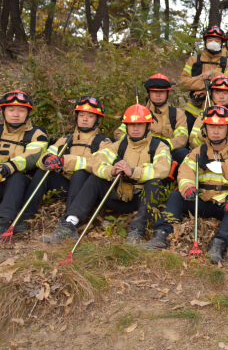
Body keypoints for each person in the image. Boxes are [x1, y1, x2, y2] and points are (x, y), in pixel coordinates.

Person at [141, 106, 228, 264]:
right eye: (211, 126)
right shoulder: (197, 152)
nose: (215, 131)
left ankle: (218, 245)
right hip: (201, 199)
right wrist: (187, 187)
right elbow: (185, 171)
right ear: (205, 128)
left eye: (220, 127)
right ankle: (160, 235)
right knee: (174, 197)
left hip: (225, 202)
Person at [56, 104, 171, 245]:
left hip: (141, 200)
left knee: (155, 184)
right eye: (131, 125)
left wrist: (133, 172)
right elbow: (97, 163)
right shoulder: (118, 145)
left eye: (140, 125)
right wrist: (111, 170)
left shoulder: (160, 146)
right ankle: (70, 223)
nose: (135, 129)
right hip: (117, 195)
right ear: (126, 126)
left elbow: (162, 169)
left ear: (148, 126)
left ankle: (136, 231)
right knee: (94, 179)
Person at [36, 97, 113, 242]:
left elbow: (98, 165)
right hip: (66, 186)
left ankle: (68, 224)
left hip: (86, 191)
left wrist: (67, 161)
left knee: (80, 172)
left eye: (90, 116)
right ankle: (23, 217)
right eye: (81, 115)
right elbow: (44, 157)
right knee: (42, 172)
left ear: (97, 120)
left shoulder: (104, 142)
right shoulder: (65, 140)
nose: (85, 119)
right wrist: (47, 160)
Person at [115, 74, 189, 178]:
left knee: (183, 153)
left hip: (166, 153)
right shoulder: (137, 112)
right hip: (139, 149)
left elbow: (182, 138)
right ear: (149, 93)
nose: (158, 95)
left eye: (161, 92)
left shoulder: (177, 114)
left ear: (168, 93)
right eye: (154, 92)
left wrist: (161, 144)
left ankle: (176, 180)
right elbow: (119, 133)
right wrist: (135, 141)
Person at [0, 91, 49, 235]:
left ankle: (4, 220)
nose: (16, 114)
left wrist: (7, 167)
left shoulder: (37, 133)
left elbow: (31, 157)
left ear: (28, 113)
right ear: (3, 111)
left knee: (16, 177)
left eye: (21, 110)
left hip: (21, 186)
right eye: (11, 110)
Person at [180, 25, 228, 132]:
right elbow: (185, 83)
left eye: (217, 40)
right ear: (205, 41)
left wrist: (213, 73)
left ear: (222, 43)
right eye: (210, 39)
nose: (213, 42)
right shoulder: (193, 60)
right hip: (194, 111)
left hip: (219, 112)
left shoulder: (227, 63)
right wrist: (203, 79)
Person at [188, 75, 228, 150]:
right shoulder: (203, 117)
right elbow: (193, 143)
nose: (221, 96)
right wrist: (203, 134)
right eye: (217, 93)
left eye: (225, 93)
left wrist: (223, 141)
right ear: (211, 95)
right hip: (208, 156)